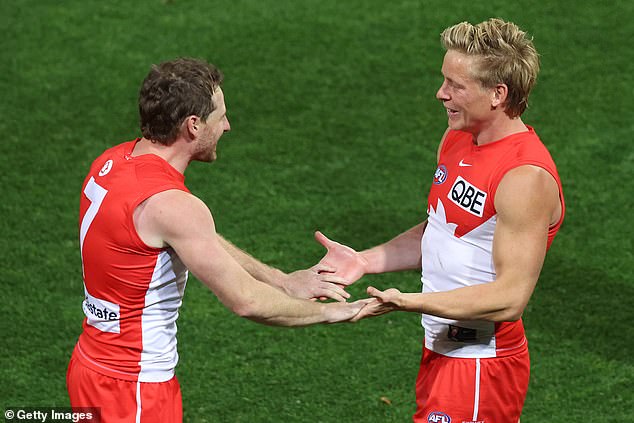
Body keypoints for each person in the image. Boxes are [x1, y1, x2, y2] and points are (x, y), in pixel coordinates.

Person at [67, 58, 370, 423]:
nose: (227, 126)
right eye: (220, 117)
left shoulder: (115, 161)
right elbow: (247, 302)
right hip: (134, 390)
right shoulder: (172, 205)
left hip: (89, 368)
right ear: (193, 126)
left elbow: (194, 239)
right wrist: (334, 312)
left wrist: (281, 280)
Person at [315, 18, 565, 423]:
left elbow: (510, 297)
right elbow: (445, 230)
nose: (441, 94)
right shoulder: (458, 138)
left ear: (498, 94)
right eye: (443, 80)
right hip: (442, 349)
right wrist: (366, 260)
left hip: (481, 364)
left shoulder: (525, 176)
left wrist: (407, 302)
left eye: (456, 85)